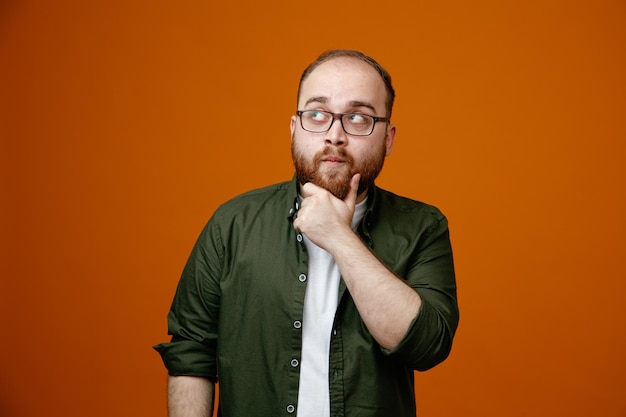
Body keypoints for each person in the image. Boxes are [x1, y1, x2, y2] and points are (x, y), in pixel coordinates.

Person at [154, 49, 459, 417]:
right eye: (317, 114)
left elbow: (426, 346)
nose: (335, 135)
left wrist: (339, 237)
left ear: (388, 138)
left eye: (358, 118)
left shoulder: (422, 226)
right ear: (294, 127)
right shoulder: (231, 224)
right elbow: (191, 353)